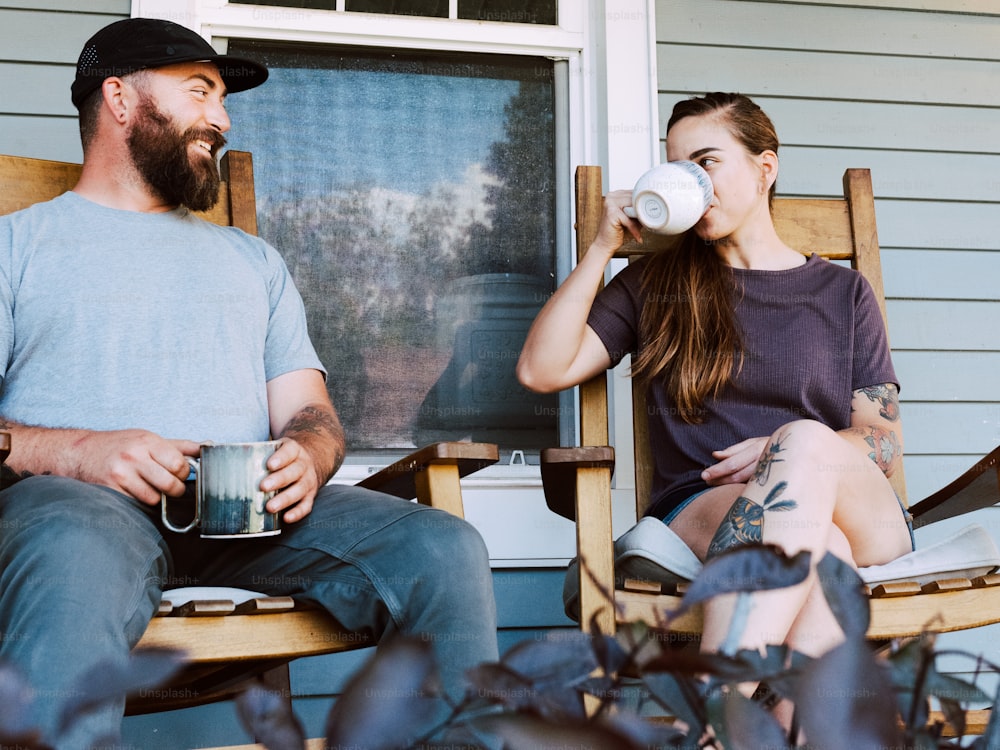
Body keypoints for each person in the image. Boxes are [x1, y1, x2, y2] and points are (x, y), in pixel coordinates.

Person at [0, 18, 497, 748]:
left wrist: (309, 454)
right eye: (200, 92)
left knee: (445, 552)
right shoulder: (19, 244)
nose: (222, 119)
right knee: (72, 567)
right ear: (119, 98)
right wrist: (79, 452)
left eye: (224, 101)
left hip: (247, 515)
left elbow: (311, 412)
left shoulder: (253, 260)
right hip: (80, 510)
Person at [517, 92, 912, 711]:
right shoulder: (655, 284)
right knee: (823, 555)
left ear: (765, 168)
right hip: (707, 508)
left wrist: (785, 451)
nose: (691, 183)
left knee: (806, 444)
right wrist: (601, 247)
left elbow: (881, 444)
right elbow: (543, 369)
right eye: (677, 167)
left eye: (706, 163)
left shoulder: (843, 293)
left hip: (860, 510)